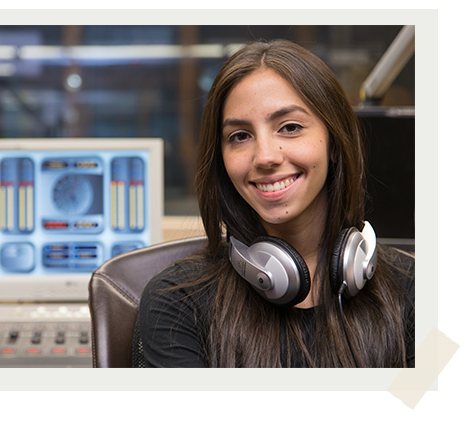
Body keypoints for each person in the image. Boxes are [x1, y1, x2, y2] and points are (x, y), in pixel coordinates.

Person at [135, 39, 414, 368]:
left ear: (335, 144)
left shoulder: (419, 290)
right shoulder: (175, 301)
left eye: (290, 128)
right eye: (240, 136)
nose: (265, 157)